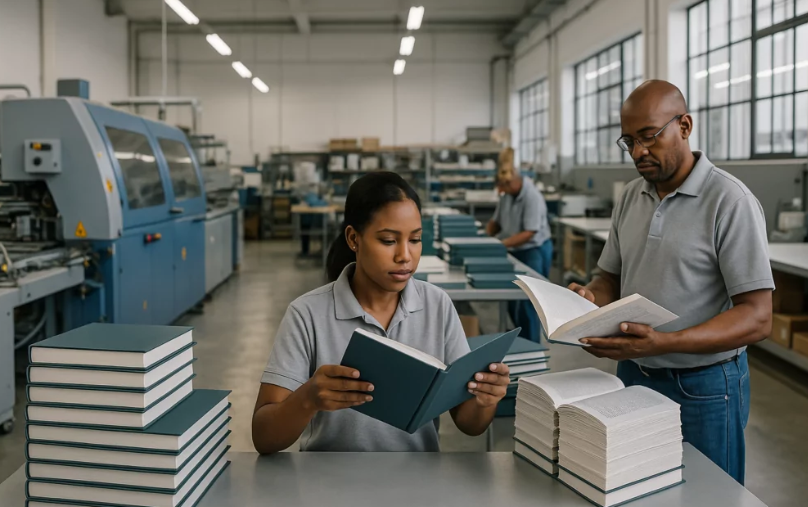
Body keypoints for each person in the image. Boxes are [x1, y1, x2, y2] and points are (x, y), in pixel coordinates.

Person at [568, 80, 773, 484]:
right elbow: (610, 275)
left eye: (649, 137)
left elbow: (757, 317)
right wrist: (590, 299)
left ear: (684, 126)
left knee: (710, 494)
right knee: (638, 488)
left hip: (706, 387)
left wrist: (664, 342)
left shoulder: (730, 201)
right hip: (633, 375)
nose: (638, 152)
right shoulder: (630, 196)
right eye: (628, 141)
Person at [252, 172, 511, 453]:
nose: (405, 256)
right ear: (354, 238)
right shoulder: (307, 314)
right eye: (388, 241)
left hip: (416, 483)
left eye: (415, 239)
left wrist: (486, 400)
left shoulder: (438, 306)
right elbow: (264, 438)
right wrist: (308, 399)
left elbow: (470, 424)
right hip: (328, 485)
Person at [486, 150, 553, 342]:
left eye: (503, 187)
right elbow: (496, 222)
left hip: (533, 251)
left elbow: (529, 232)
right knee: (511, 300)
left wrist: (500, 244)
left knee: (528, 302)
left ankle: (531, 348)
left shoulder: (531, 196)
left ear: (513, 181)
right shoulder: (507, 195)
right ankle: (518, 343)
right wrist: (485, 236)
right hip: (513, 249)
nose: (502, 191)